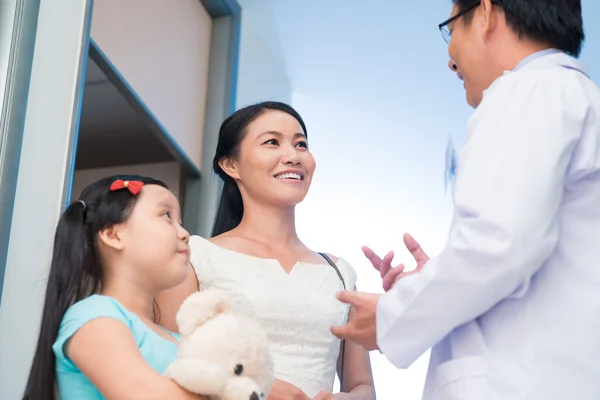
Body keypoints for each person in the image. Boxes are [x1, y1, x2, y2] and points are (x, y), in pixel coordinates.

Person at [331, 0, 600, 399]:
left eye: (452, 27)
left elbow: (499, 244)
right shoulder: (574, 96)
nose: (450, 59)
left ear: (487, 13)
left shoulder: (528, 90)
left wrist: (393, 316)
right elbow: (535, 248)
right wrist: (439, 278)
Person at [156, 102, 376, 400]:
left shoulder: (339, 273)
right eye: (272, 142)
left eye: (301, 144)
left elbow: (363, 387)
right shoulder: (195, 257)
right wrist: (250, 387)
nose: (293, 156)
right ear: (230, 165)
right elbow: (166, 365)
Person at [23, 175, 205, 400]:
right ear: (113, 234)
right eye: (166, 215)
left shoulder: (177, 339)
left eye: (181, 221)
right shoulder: (93, 317)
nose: (184, 233)